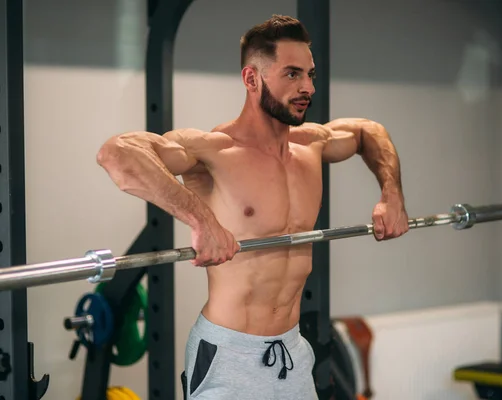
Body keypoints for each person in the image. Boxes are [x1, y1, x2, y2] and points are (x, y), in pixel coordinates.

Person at [96, 14, 409, 400]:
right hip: (228, 356)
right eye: (292, 74)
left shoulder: (310, 144)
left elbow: (368, 131)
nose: (307, 87)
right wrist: (201, 218)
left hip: (292, 351)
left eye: (310, 74)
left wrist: (391, 194)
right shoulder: (214, 151)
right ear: (251, 79)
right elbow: (117, 154)